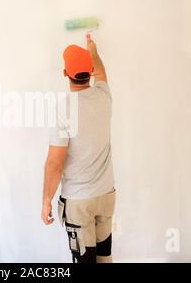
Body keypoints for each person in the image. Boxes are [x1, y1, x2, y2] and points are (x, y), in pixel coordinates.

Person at [41, 35, 116, 263]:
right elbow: (102, 74)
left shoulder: (64, 109)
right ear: (90, 71)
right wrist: (93, 51)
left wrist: (46, 200)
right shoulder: (104, 97)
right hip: (106, 196)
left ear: (66, 73)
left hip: (79, 201)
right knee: (104, 258)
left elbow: (55, 164)